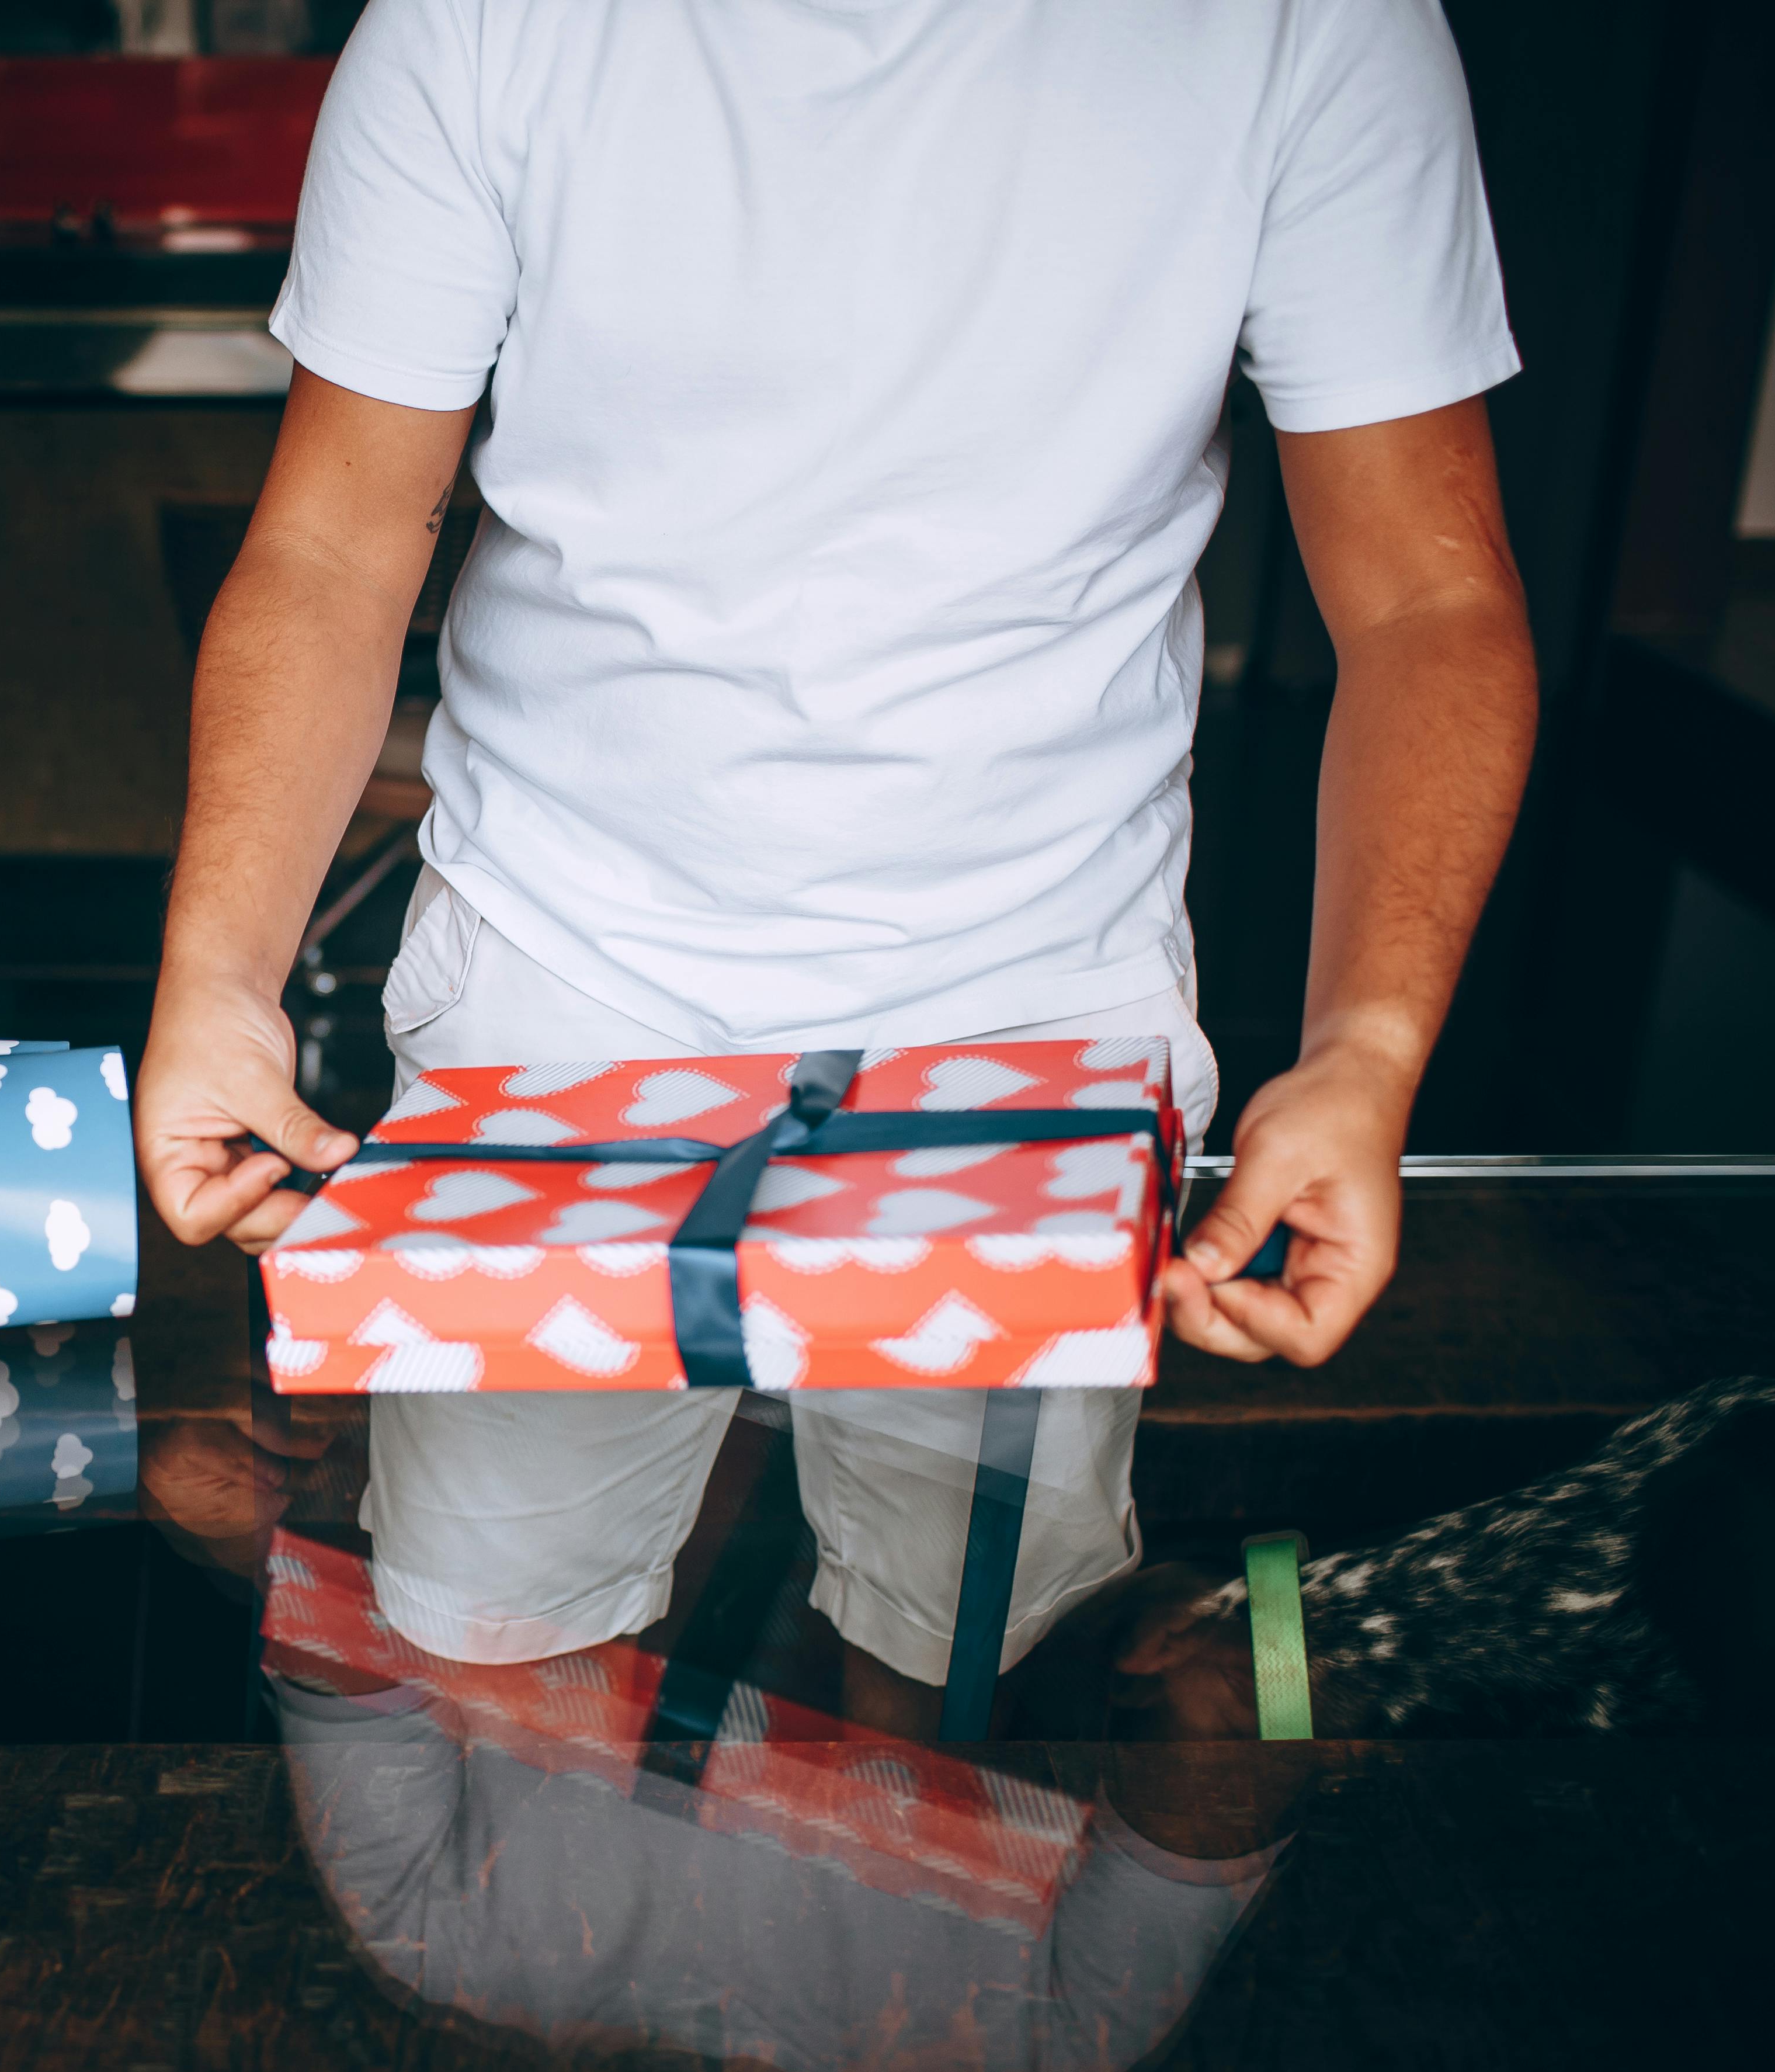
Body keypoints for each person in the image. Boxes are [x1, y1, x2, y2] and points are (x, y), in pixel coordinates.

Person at [134, 0, 1539, 1734]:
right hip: (560, 975)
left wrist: (1368, 1051)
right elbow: (335, 545)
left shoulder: (1308, 27)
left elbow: (1429, 596)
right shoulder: (482, 19)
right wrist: (215, 971)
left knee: (965, 1709)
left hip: (1038, 1002)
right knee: (482, 1671)